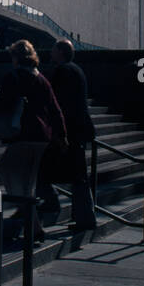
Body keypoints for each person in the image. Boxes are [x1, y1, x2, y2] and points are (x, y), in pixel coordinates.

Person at [0, 39, 67, 242]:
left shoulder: (13, 76)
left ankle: (27, 217)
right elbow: (55, 109)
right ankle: (33, 226)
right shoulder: (42, 79)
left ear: (16, 57)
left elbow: (4, 104)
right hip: (42, 136)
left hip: (22, 134)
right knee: (28, 182)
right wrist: (61, 135)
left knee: (6, 171)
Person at [41, 38, 97, 231]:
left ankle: (55, 205)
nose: (50, 53)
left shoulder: (63, 72)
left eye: (53, 50)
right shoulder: (76, 70)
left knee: (70, 174)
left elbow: (59, 104)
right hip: (79, 130)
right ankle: (83, 216)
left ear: (61, 53)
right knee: (78, 175)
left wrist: (58, 131)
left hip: (70, 131)